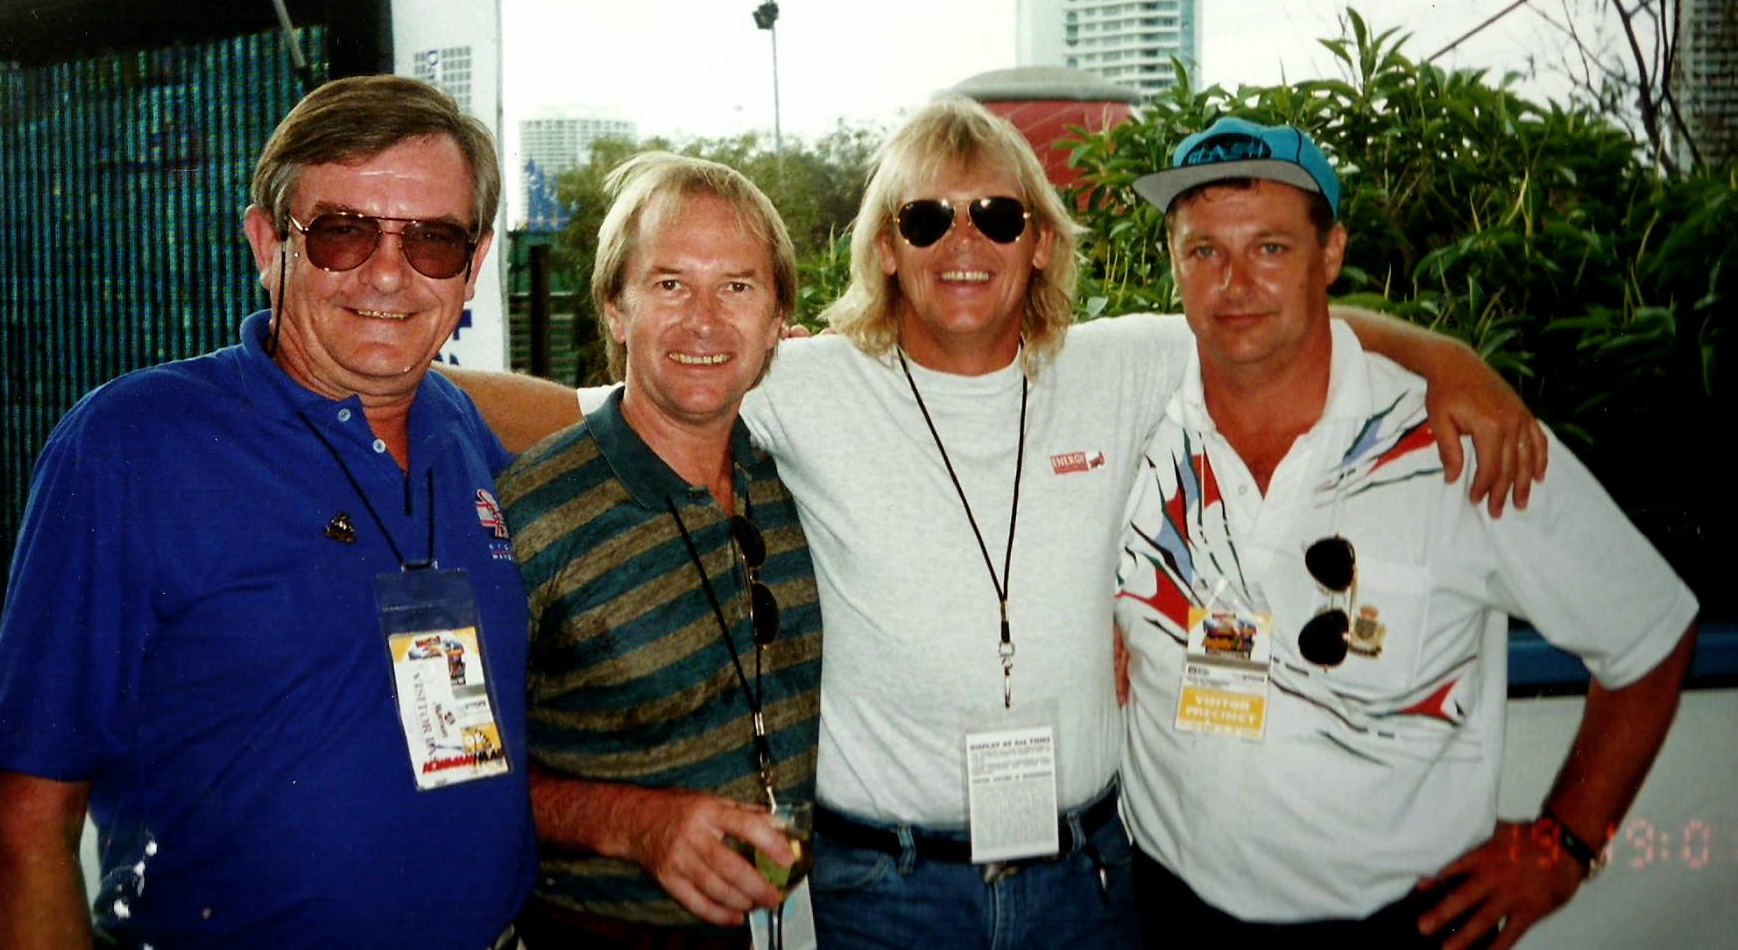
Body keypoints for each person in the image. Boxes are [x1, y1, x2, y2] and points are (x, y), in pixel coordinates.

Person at [449, 97, 1545, 949]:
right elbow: (586, 407)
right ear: (885, 246)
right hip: (887, 884)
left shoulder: (1123, 365)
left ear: (1038, 244)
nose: (961, 240)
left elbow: (1282, 326)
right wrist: (392, 403)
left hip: (1088, 869)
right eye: (926, 215)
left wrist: (1449, 359)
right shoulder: (801, 377)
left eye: (997, 214)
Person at [1113, 116, 1699, 950]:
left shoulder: (1460, 441)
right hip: (1166, 912)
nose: (1234, 282)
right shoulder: (1138, 415)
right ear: (1173, 263)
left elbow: (1650, 632)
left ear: (1332, 253)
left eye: (1271, 248)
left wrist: (1564, 844)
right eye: (1204, 250)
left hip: (1395, 927)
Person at [0, 76, 535, 949]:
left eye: (434, 241)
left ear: (473, 267)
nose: (390, 273)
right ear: (266, 241)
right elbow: (26, 819)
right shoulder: (133, 446)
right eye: (342, 233)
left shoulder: (464, 432)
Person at [496, 153, 823, 949]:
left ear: (779, 319)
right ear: (615, 309)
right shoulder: (528, 516)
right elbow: (444, 763)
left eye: (737, 287)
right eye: (670, 284)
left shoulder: (805, 478)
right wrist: (634, 822)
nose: (705, 321)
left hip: (799, 919)